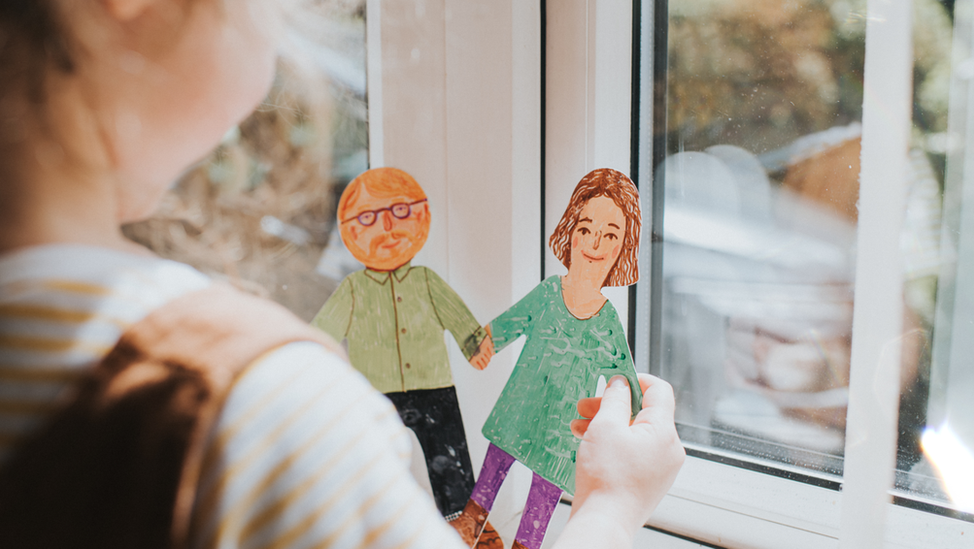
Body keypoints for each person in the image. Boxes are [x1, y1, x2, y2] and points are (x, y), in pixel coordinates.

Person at [0, 1, 685, 549]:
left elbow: (496, 323)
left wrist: (496, 344)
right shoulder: (257, 411)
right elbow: (503, 322)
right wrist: (614, 507)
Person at [453, 169, 645, 549]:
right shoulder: (547, 293)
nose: (595, 243)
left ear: (623, 249)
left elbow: (625, 379)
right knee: (496, 460)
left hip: (562, 431)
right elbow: (510, 322)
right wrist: (483, 342)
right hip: (520, 404)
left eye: (611, 235)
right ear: (570, 230)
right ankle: (472, 521)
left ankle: (525, 544)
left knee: (545, 489)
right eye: (587, 228)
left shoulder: (607, 323)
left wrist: (624, 409)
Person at [311, 167, 499, 543]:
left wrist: (472, 342)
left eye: (399, 212)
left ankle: (469, 530)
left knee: (452, 465)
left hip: (434, 388)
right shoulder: (353, 289)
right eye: (368, 218)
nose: (386, 229)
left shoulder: (427, 282)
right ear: (349, 230)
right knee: (369, 462)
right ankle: (374, 528)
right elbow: (320, 335)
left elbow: (457, 315)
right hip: (375, 393)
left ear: (422, 216)